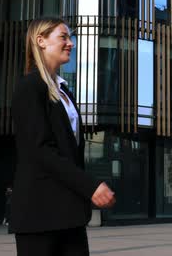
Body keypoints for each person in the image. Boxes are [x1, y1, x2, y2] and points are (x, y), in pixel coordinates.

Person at [10, 17, 116, 256]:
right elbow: (40, 150)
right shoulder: (30, 87)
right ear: (41, 41)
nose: (71, 43)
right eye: (63, 37)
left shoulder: (63, 90)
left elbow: (69, 151)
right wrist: (90, 186)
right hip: (39, 213)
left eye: (70, 37)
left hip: (68, 214)